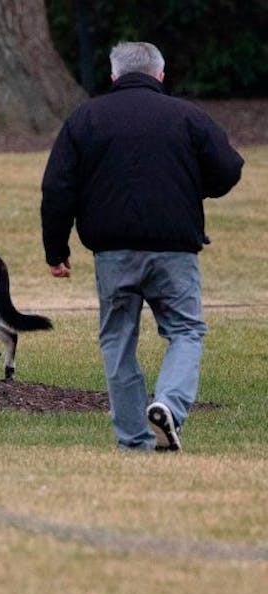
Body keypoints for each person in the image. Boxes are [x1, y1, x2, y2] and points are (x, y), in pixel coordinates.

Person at [40, 41, 244, 452]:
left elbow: (57, 188)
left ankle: (134, 440)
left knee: (118, 338)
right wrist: (191, 188)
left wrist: (56, 250)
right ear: (160, 75)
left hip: (113, 252)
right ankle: (168, 403)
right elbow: (229, 168)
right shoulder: (187, 116)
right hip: (174, 249)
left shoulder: (86, 119)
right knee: (186, 329)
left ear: (113, 76)